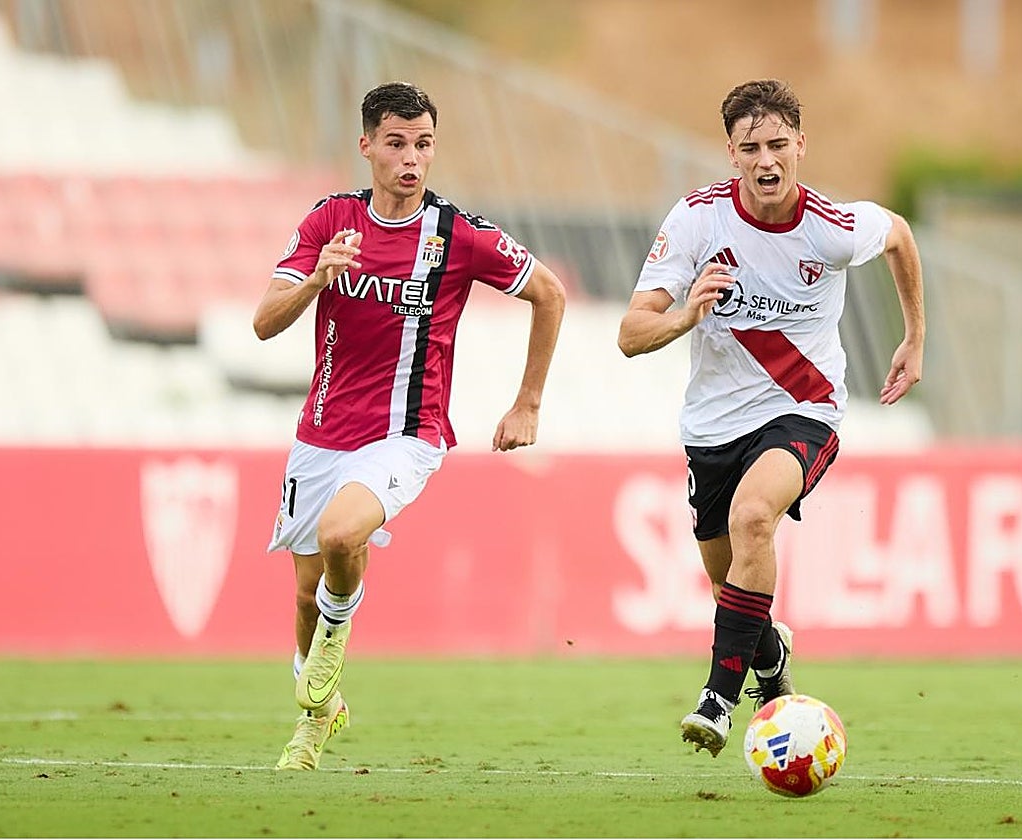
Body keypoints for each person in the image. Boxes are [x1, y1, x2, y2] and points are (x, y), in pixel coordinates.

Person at [254, 81, 567, 770]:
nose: (411, 159)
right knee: (307, 594)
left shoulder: (459, 235)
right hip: (320, 436)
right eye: (396, 143)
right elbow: (263, 322)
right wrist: (316, 280)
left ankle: (336, 643)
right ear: (366, 146)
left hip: (408, 433)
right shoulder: (328, 221)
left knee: (343, 534)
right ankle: (317, 717)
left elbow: (550, 293)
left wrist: (528, 402)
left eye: (423, 144)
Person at [617, 79, 924, 757]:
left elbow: (899, 235)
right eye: (751, 146)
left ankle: (718, 699)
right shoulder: (698, 221)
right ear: (731, 153)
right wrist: (685, 316)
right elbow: (631, 333)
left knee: (755, 517)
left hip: (805, 412)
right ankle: (771, 662)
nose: (766, 160)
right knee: (730, 581)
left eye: (779, 144)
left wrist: (915, 337)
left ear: (800, 146)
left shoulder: (833, 228)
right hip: (711, 430)